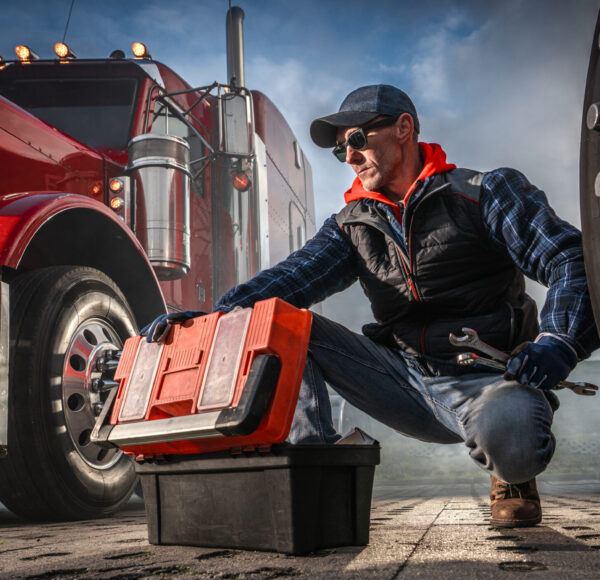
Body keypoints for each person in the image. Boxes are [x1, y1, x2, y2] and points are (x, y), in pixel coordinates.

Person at [144, 84, 599, 527]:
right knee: (281, 322)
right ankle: (316, 473)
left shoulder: (485, 193)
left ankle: (512, 477)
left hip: (492, 380)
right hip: (403, 379)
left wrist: (558, 341)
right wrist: (214, 317)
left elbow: (569, 257)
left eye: (358, 140)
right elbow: (288, 280)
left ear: (404, 128)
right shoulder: (350, 225)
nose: (350, 157)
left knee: (514, 441)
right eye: (341, 149)